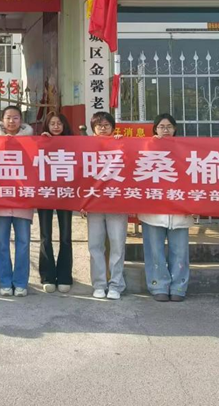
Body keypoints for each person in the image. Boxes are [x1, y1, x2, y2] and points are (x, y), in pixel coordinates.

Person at [138, 113, 193, 302]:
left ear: (175, 129)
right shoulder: (146, 148)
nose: (165, 130)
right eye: (161, 126)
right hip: (153, 210)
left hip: (180, 209)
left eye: (169, 126)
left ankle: (179, 287)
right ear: (155, 129)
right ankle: (158, 285)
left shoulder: (186, 149)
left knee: (180, 251)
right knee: (155, 251)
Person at [84, 111, 128, 300]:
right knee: (95, 245)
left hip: (116, 203)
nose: (103, 128)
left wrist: (121, 144)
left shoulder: (122, 144)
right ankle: (99, 284)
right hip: (94, 203)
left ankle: (116, 285)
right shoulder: (85, 147)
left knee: (117, 244)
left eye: (106, 125)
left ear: (113, 128)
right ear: (93, 129)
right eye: (99, 125)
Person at [0, 106, 34, 297]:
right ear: (2, 120)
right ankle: (5, 282)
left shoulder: (31, 141)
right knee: (1, 243)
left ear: (21, 120)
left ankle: (21, 282)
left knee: (23, 243)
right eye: (8, 117)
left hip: (23, 200)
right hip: (0, 200)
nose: (11, 121)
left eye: (16, 118)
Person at [37, 112, 74, 293]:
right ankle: (47, 276)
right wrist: (42, 142)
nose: (56, 126)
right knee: (46, 236)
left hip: (66, 193)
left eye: (59, 123)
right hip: (45, 193)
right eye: (52, 123)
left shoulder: (74, 143)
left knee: (65, 236)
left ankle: (65, 275)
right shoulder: (40, 142)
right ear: (47, 125)